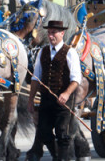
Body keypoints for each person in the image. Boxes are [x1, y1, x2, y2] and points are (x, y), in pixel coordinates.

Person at [27, 20, 83, 161]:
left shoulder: (70, 53)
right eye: (49, 32)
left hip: (64, 101)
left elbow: (76, 79)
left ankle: (61, 158)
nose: (51, 36)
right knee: (44, 131)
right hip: (46, 99)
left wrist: (66, 93)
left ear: (62, 33)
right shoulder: (42, 52)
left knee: (62, 133)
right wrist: (30, 99)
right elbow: (36, 78)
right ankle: (57, 155)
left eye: (54, 33)